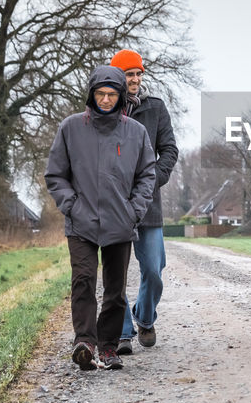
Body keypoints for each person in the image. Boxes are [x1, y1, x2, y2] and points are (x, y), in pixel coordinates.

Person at [45, 66, 156, 370]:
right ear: (91, 94)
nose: (106, 99)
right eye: (100, 93)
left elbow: (148, 174)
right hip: (81, 222)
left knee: (115, 289)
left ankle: (108, 347)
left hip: (120, 221)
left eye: (112, 94)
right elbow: (55, 174)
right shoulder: (71, 128)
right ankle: (84, 341)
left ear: (121, 96)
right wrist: (71, 206)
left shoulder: (135, 132)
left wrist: (134, 210)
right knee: (83, 280)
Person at [110, 49, 179, 356]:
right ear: (117, 77)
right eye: (129, 74)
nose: (135, 79)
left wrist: (153, 180)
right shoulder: (105, 109)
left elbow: (170, 150)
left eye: (138, 73)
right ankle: (123, 331)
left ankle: (145, 316)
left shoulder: (156, 108)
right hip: (114, 205)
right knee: (117, 272)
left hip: (148, 203)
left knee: (153, 268)